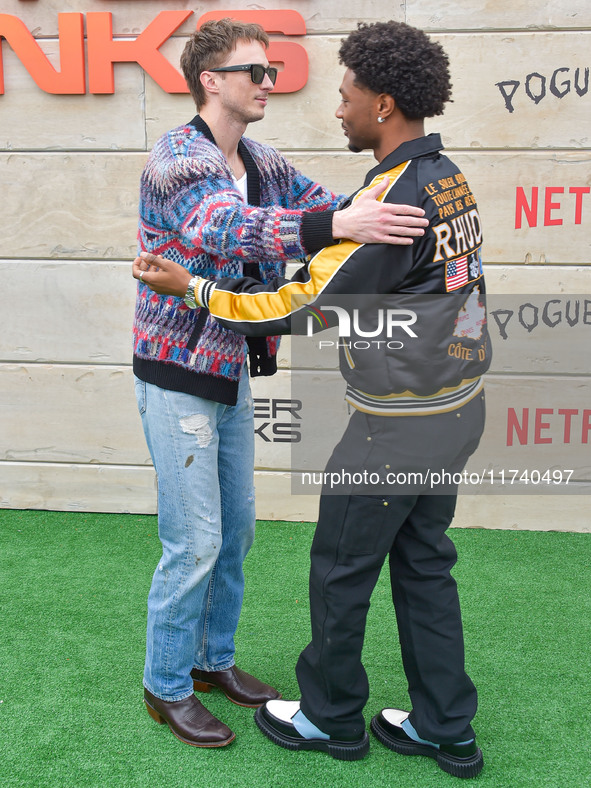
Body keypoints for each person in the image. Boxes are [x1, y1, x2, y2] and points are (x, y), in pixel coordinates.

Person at [134, 21, 491, 778]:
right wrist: (346, 223)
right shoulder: (179, 159)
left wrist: (354, 222)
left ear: (383, 101)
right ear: (210, 80)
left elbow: (318, 256)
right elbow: (230, 229)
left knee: (282, 551)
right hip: (188, 372)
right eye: (254, 71)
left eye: (344, 93)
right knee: (202, 541)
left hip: (386, 415)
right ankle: (169, 684)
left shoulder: (271, 160)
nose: (274, 82)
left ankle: (286, 698)